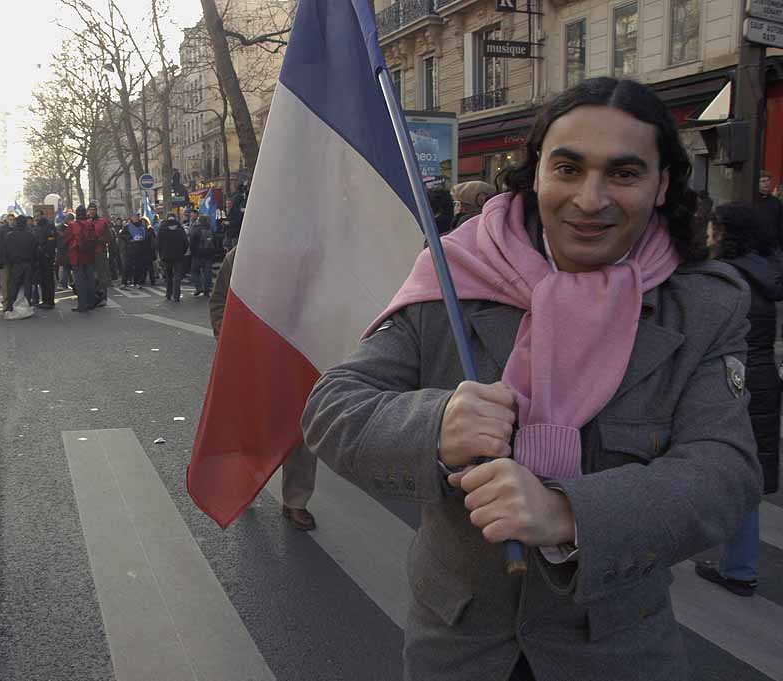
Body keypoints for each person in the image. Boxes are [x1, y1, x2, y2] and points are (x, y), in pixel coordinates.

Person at [301, 77, 762, 681]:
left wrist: (570, 514)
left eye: (623, 174)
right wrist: (437, 424)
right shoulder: (454, 274)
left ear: (662, 185)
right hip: (457, 646)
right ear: (536, 173)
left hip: (615, 651)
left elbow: (724, 470)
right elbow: (332, 409)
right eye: (568, 168)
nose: (590, 199)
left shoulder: (702, 306)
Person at [697, 201, 782, 597]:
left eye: (714, 228)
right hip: (763, 380)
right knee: (748, 471)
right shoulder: (764, 272)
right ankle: (741, 567)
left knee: (721, 467)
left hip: (733, 381)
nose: (709, 235)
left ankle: (735, 565)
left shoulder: (727, 278)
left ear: (726, 233)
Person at [210, 246, 318, 531]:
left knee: (300, 429)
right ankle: (245, 491)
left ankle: (296, 501)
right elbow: (219, 301)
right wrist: (229, 339)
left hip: (295, 356)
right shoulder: (239, 256)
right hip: (251, 358)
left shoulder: (303, 255)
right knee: (250, 429)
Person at [0, 215, 37, 313]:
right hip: (28, 263)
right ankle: (28, 304)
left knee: (14, 286)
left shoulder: (10, 235)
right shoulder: (31, 235)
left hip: (15, 263)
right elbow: (35, 250)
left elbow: (5, 250)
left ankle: (10, 306)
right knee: (28, 285)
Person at [65, 206, 98, 313]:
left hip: (77, 256)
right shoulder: (90, 224)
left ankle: (82, 305)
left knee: (80, 282)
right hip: (89, 255)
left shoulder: (72, 225)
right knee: (90, 280)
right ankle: (91, 303)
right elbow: (95, 238)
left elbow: (67, 239)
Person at [157, 215, 188, 302]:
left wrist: (161, 254)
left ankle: (168, 293)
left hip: (166, 256)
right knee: (177, 276)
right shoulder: (180, 228)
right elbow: (186, 242)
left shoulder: (162, 228)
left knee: (168, 276)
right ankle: (176, 295)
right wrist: (182, 252)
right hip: (178, 256)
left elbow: (158, 243)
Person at [87, 203, 112, 308]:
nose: (91, 211)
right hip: (89, 252)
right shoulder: (86, 222)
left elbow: (109, 238)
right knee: (91, 276)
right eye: (90, 210)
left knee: (101, 276)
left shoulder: (102, 222)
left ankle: (103, 298)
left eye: (93, 209)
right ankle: (93, 297)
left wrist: (98, 240)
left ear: (96, 210)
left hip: (100, 252)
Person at [34, 210, 58, 309]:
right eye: (35, 216)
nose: (36, 218)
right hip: (40, 256)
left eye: (38, 216)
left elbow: (51, 240)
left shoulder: (49, 225)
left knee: (48, 279)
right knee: (42, 279)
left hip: (47, 256)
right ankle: (45, 300)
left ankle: (49, 301)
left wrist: (47, 252)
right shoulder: (38, 226)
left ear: (43, 215)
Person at [754, 170, 783, 250]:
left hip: (773, 246)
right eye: (763, 181)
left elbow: (780, 225)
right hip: (755, 246)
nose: (767, 183)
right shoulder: (751, 200)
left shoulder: (776, 202)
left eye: (768, 180)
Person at [189, 215, 217, 296]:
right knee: (207, 273)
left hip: (197, 255)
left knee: (194, 272)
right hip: (208, 255)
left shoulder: (196, 230)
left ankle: (198, 287)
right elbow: (215, 242)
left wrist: (193, 253)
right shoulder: (210, 230)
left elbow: (192, 243)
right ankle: (207, 289)